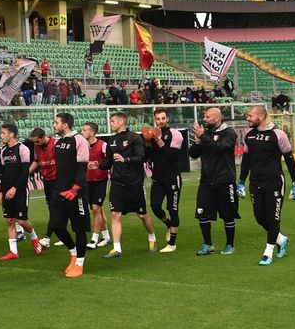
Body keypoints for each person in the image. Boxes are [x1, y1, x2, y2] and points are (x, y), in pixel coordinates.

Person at [238, 105, 295, 266]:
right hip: (255, 183)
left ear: (261, 116)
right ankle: (281, 239)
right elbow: (246, 160)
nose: (248, 118)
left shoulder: (278, 134)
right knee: (260, 218)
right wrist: (241, 182)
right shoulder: (249, 135)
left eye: (250, 116)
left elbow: (289, 159)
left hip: (274, 182)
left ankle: (268, 252)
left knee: (273, 219)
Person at [98, 112, 155, 259]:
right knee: (115, 214)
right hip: (117, 183)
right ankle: (117, 249)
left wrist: (126, 159)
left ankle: (152, 237)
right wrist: (97, 165)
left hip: (134, 182)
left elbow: (141, 157)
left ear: (122, 122)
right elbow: (107, 163)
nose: (110, 123)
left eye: (113, 120)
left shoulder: (135, 138)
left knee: (142, 214)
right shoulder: (111, 140)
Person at [189, 107, 239, 256]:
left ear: (217, 118)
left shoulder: (229, 133)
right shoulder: (206, 133)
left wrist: (203, 137)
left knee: (227, 214)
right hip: (206, 181)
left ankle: (230, 245)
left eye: (207, 116)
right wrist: (198, 142)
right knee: (202, 214)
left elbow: (219, 148)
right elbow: (192, 154)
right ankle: (207, 244)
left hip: (225, 180)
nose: (204, 119)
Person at [47, 113, 91, 278]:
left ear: (65, 125)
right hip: (59, 190)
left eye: (56, 122)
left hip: (76, 193)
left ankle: (79, 263)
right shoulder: (58, 142)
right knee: (56, 225)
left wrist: (75, 189)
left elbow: (82, 168)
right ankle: (73, 252)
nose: (54, 125)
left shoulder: (79, 140)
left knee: (79, 228)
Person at [0, 123, 40, 260]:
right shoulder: (3, 151)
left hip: (20, 190)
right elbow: (3, 172)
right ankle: (13, 252)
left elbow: (24, 172)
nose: (1, 135)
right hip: (6, 191)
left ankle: (34, 238)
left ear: (11, 134)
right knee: (10, 220)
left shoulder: (23, 149)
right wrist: (1, 191)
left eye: (3, 133)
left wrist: (15, 188)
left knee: (21, 221)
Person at [143, 109, 184, 253]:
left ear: (167, 119)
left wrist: (158, 140)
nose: (160, 121)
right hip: (158, 177)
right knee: (154, 206)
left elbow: (172, 156)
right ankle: (168, 224)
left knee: (173, 209)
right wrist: (147, 142)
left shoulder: (175, 134)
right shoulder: (151, 134)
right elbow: (148, 156)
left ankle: (172, 243)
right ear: (154, 120)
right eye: (158, 119)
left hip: (172, 176)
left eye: (163, 118)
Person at [82, 122, 111, 249]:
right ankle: (106, 237)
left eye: (84, 130)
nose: (82, 132)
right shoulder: (82, 146)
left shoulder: (103, 145)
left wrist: (98, 165)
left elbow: (108, 161)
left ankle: (94, 239)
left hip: (100, 180)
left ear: (92, 133)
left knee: (95, 208)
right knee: (97, 209)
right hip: (88, 181)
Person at [28, 127, 57, 251]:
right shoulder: (36, 148)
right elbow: (37, 161)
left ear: (43, 137)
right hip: (47, 181)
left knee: (56, 209)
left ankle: (47, 238)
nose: (35, 144)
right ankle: (59, 233)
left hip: (58, 180)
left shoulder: (56, 144)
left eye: (37, 141)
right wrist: (26, 174)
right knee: (53, 209)